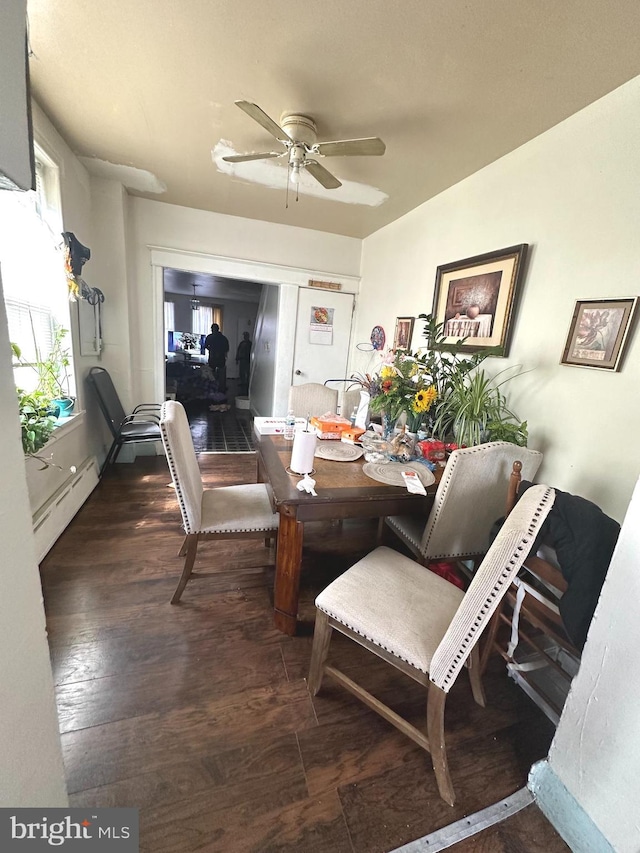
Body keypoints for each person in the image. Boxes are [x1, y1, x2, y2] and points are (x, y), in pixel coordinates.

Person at [204, 323, 229, 392]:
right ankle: (221, 388)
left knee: (212, 373)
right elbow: (227, 348)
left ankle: (213, 387)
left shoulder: (210, 337)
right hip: (219, 357)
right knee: (220, 374)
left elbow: (205, 346)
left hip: (214, 357)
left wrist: (211, 350)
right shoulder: (223, 338)